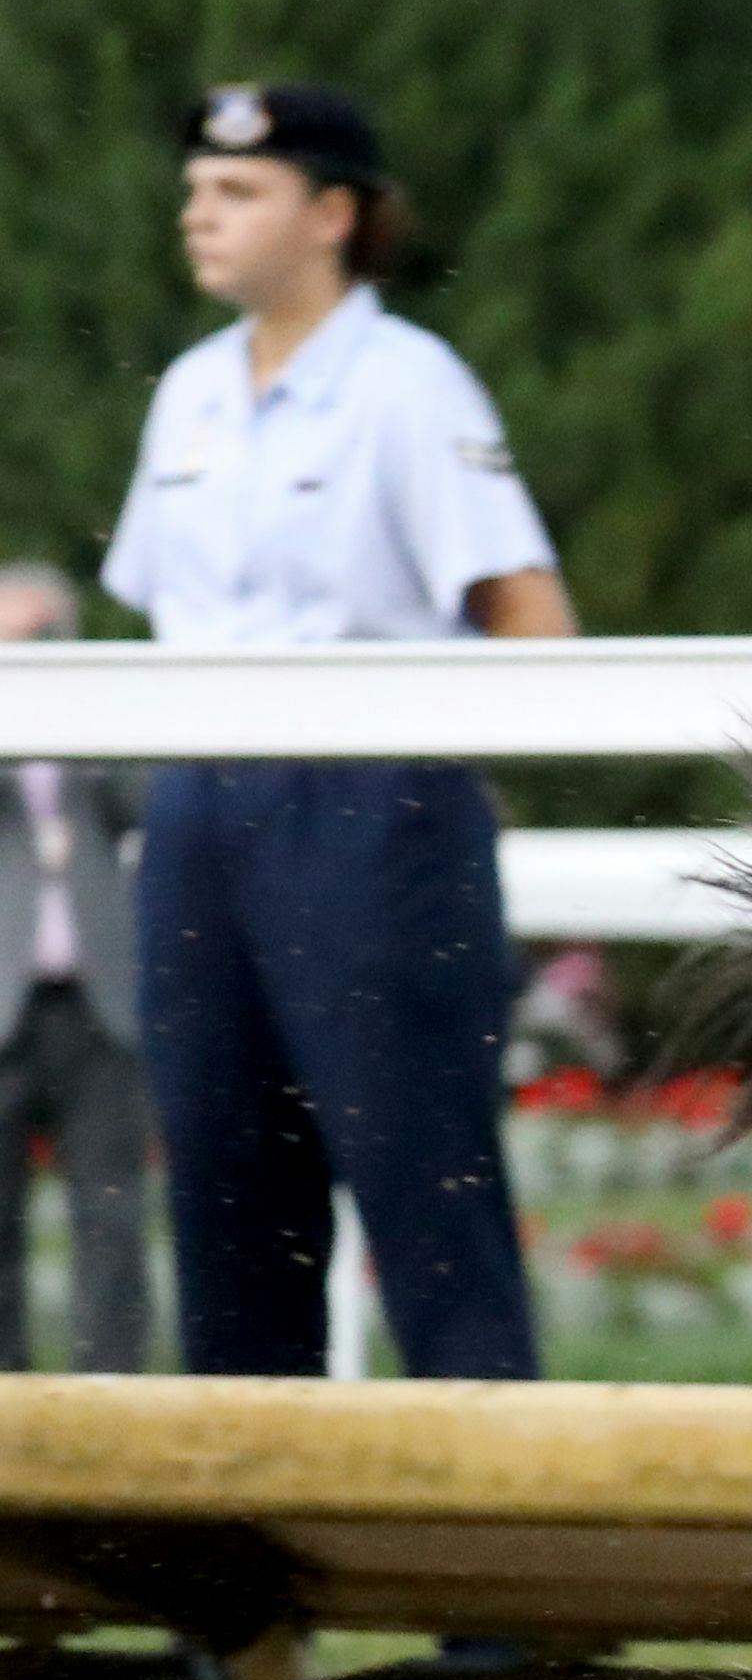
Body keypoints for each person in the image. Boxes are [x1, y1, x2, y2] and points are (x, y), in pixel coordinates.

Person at [103, 82, 568, 1382]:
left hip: (370, 807)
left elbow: (533, 618)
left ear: (332, 214)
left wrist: (453, 777)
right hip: (202, 806)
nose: (200, 213)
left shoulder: (410, 386)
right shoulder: (189, 395)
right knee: (223, 1201)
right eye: (196, 188)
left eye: (238, 190)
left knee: (428, 1205)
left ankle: (494, 1569)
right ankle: (251, 1574)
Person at [0, 567, 150, 1373]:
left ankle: (112, 1398)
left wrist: (83, 711)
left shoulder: (96, 742)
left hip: (97, 1004)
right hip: (6, 999)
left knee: (113, 1216)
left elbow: (147, 799)